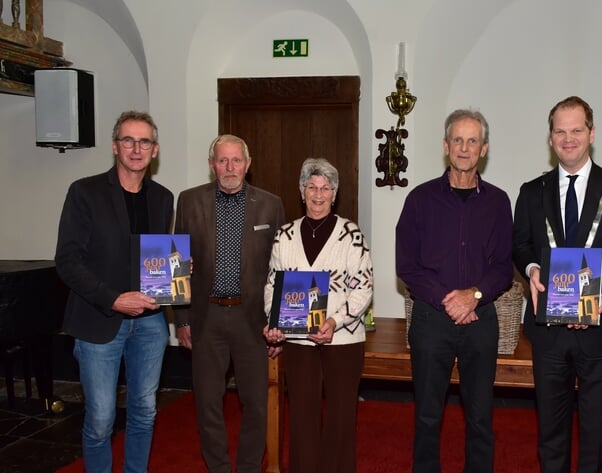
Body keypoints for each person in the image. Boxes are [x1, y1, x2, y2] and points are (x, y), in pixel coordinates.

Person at [512, 96, 602, 473]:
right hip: (549, 331)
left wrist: (600, 296)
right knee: (550, 430)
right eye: (560, 131)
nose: (568, 138)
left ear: (592, 133)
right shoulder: (531, 191)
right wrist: (532, 268)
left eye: (576, 130)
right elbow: (520, 244)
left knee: (598, 429)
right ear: (551, 137)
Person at [55, 110, 173, 473]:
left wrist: (176, 270)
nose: (136, 148)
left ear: (155, 150)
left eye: (144, 141)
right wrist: (114, 298)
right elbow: (67, 260)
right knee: (101, 418)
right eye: (128, 140)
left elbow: (155, 258)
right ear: (115, 146)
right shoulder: (85, 192)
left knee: (145, 411)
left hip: (151, 323)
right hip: (99, 321)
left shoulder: (163, 197)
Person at [396, 109, 513, 473]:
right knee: (428, 415)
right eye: (458, 140)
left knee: (480, 417)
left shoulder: (498, 202)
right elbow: (408, 266)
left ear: (484, 148)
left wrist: (473, 296)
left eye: (472, 140)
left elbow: (504, 266)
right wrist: (450, 301)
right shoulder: (419, 199)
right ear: (446, 146)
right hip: (431, 320)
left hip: (481, 320)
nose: (465, 148)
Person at [173, 134, 284, 473]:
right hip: (206, 318)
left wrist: (278, 322)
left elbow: (282, 267)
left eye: (237, 160)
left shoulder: (271, 204)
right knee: (207, 404)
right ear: (212, 166)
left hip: (253, 322)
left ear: (248, 165)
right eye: (223, 161)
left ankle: (249, 467)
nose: (230, 167)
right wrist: (181, 319)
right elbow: (176, 261)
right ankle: (218, 468)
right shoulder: (189, 201)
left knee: (256, 404)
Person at [263, 158, 373, 473]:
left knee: (341, 418)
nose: (318, 194)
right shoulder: (284, 235)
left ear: (334, 194)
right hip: (298, 340)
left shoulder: (351, 234)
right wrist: (275, 322)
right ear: (301, 191)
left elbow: (363, 288)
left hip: (343, 339)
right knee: (302, 417)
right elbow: (272, 285)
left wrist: (334, 321)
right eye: (312, 187)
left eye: (326, 188)